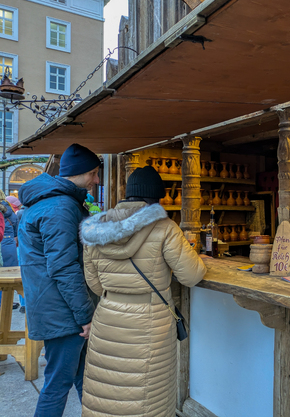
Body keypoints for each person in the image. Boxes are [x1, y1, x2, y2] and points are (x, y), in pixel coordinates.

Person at [79, 166, 206, 417]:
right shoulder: (165, 227)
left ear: (128, 195)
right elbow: (191, 276)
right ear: (156, 198)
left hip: (107, 318)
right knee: (147, 397)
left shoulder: (95, 229)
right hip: (150, 322)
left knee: (106, 391)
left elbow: (94, 283)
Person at [19, 143, 101, 417]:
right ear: (81, 173)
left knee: (81, 379)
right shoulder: (60, 208)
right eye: (94, 173)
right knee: (58, 385)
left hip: (55, 309)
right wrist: (85, 315)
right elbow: (64, 267)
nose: (97, 180)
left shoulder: (51, 202)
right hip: (63, 314)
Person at [0, 191, 19, 309]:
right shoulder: (9, 209)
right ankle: (6, 302)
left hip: (2, 241)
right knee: (9, 276)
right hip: (8, 242)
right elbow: (16, 225)